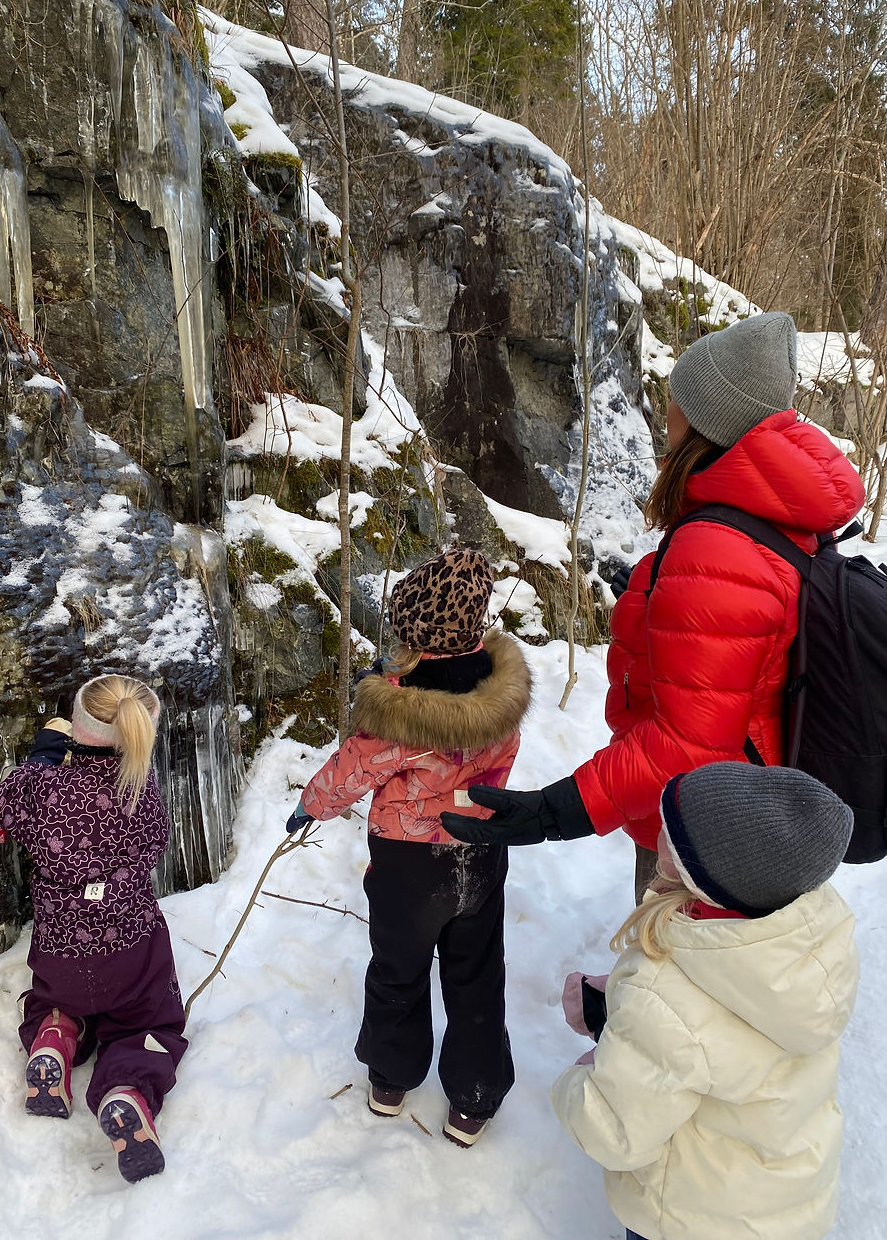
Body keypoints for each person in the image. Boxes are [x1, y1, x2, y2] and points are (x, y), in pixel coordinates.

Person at [441, 311, 866, 898]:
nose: (666, 411)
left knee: (663, 955)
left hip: (706, 829)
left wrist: (558, 809)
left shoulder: (716, 545)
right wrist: (650, 590)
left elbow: (688, 745)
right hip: (752, 802)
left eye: (679, 399)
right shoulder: (775, 514)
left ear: (707, 420)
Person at [552, 760, 858, 1240]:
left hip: (693, 1218)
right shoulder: (807, 941)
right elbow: (718, 1033)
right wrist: (623, 1007)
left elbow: (613, 1131)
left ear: (706, 875)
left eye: (673, 834)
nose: (658, 832)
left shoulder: (661, 991)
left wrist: (581, 1075)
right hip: (790, 1204)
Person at [288, 548, 533, 1147]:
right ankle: (474, 1099)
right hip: (480, 849)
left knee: (398, 969)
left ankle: (392, 1078)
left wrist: (311, 806)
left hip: (407, 862)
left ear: (417, 634)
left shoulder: (402, 714)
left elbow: (352, 770)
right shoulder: (499, 694)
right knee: (476, 975)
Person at [0, 674, 188, 1184]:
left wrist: (46, 753)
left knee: (54, 1002)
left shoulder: (42, 789)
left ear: (77, 729)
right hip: (131, 957)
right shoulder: (142, 793)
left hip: (62, 955)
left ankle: (55, 1038)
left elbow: (7, 803)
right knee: (149, 1022)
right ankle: (128, 1088)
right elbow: (154, 841)